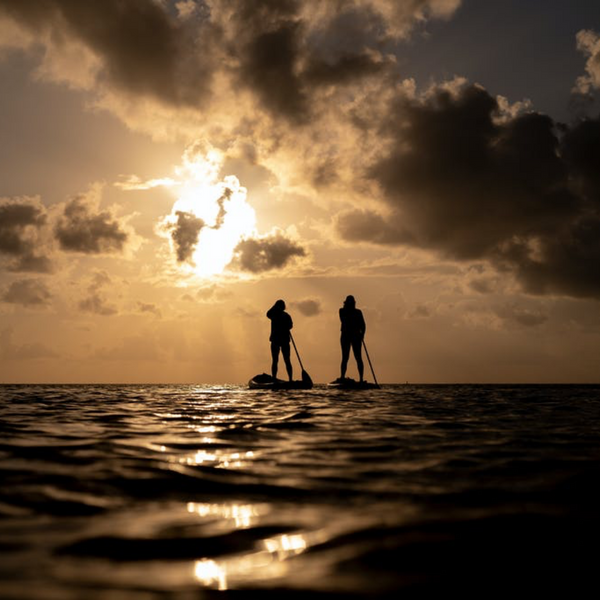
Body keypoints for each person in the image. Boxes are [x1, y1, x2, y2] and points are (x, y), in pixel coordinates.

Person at [339, 295, 366, 382]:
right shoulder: (342, 311)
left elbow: (363, 325)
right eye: (350, 303)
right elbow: (344, 320)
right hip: (346, 336)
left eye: (352, 303)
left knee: (358, 358)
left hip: (356, 337)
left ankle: (361, 379)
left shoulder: (358, 312)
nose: (351, 305)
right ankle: (342, 377)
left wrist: (362, 335)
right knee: (345, 357)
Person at [267, 299, 293, 382]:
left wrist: (285, 326)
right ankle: (277, 378)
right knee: (277, 360)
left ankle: (289, 379)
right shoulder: (274, 315)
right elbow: (267, 314)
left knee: (285, 360)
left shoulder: (283, 315)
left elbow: (290, 326)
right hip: (277, 340)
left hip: (281, 340)